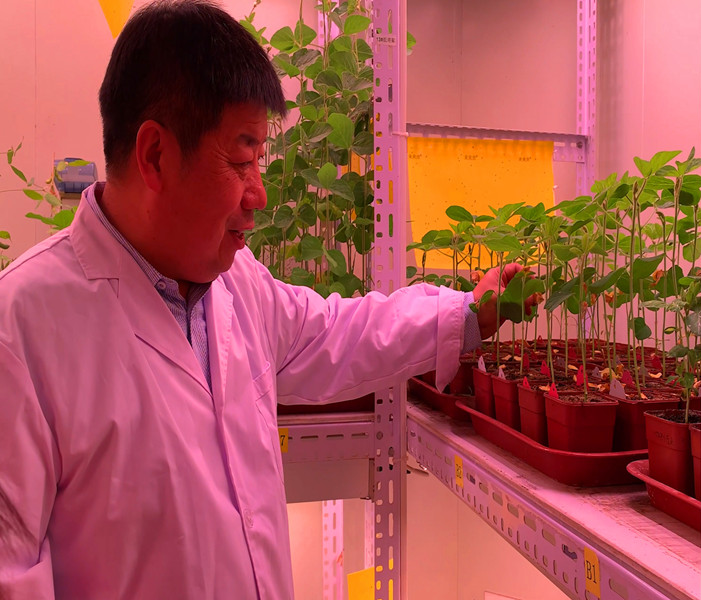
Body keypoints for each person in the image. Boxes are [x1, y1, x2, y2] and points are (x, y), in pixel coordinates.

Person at [0, 1, 534, 598]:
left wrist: (467, 314)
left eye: (261, 160)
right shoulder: (23, 330)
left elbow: (337, 333)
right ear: (155, 156)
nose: (258, 194)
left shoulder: (236, 285)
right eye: (241, 159)